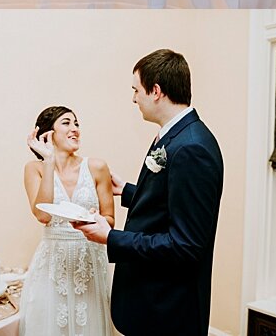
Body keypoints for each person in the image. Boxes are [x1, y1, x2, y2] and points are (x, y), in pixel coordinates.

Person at [74, 49, 224, 336]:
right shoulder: (175, 134)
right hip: (151, 300)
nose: (133, 98)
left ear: (156, 91)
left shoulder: (192, 147)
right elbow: (170, 201)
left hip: (167, 307)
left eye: (136, 90)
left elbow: (186, 245)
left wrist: (110, 238)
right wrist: (127, 191)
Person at [19, 105, 116, 336]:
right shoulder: (35, 169)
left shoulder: (96, 167)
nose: (75, 129)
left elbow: (110, 220)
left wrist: (95, 221)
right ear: (47, 134)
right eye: (66, 123)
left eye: (76, 123)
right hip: (53, 264)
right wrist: (50, 161)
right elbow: (43, 215)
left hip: (89, 262)